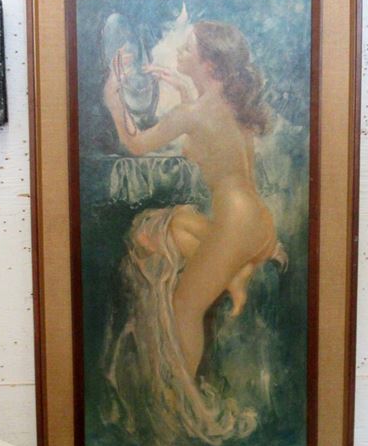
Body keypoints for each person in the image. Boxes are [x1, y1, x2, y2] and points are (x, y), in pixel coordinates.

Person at [104, 21, 285, 379]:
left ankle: (182, 400)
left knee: (184, 307)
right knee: (167, 227)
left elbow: (136, 144)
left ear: (210, 64)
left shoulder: (194, 113)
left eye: (187, 49)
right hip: (255, 221)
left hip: (238, 222)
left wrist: (113, 100)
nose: (179, 53)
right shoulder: (229, 104)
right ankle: (237, 272)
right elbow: (210, 140)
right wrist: (188, 92)